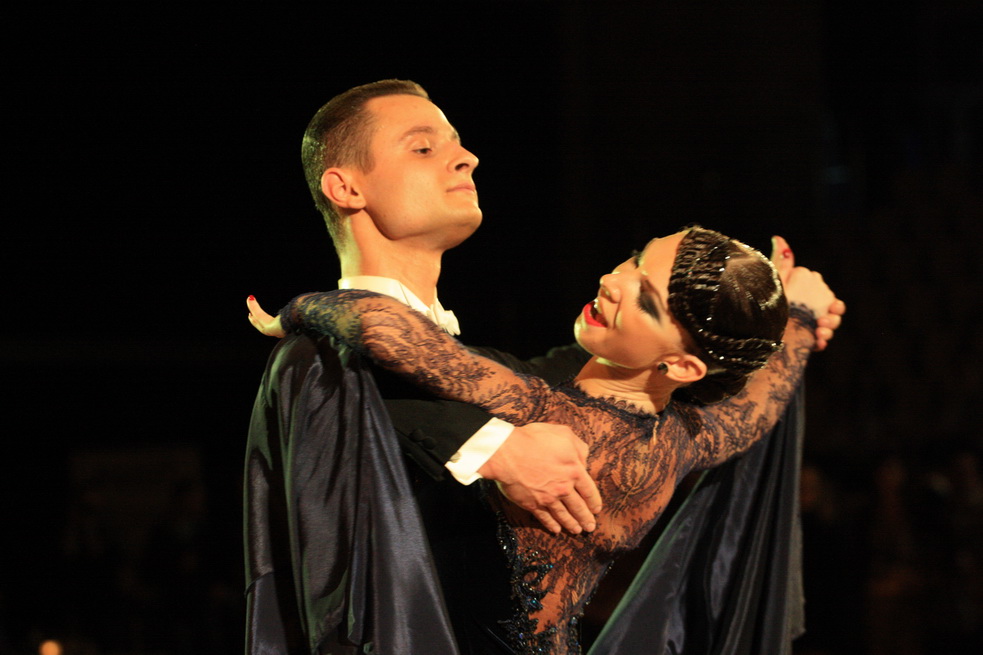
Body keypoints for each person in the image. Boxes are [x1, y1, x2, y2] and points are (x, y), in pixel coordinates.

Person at [248, 225, 839, 654]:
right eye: (635, 260)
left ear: (683, 367)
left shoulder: (560, 422)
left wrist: (296, 313)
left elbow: (381, 327)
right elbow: (760, 402)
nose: (612, 281)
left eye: (646, 299)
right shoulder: (688, 439)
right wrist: (798, 319)